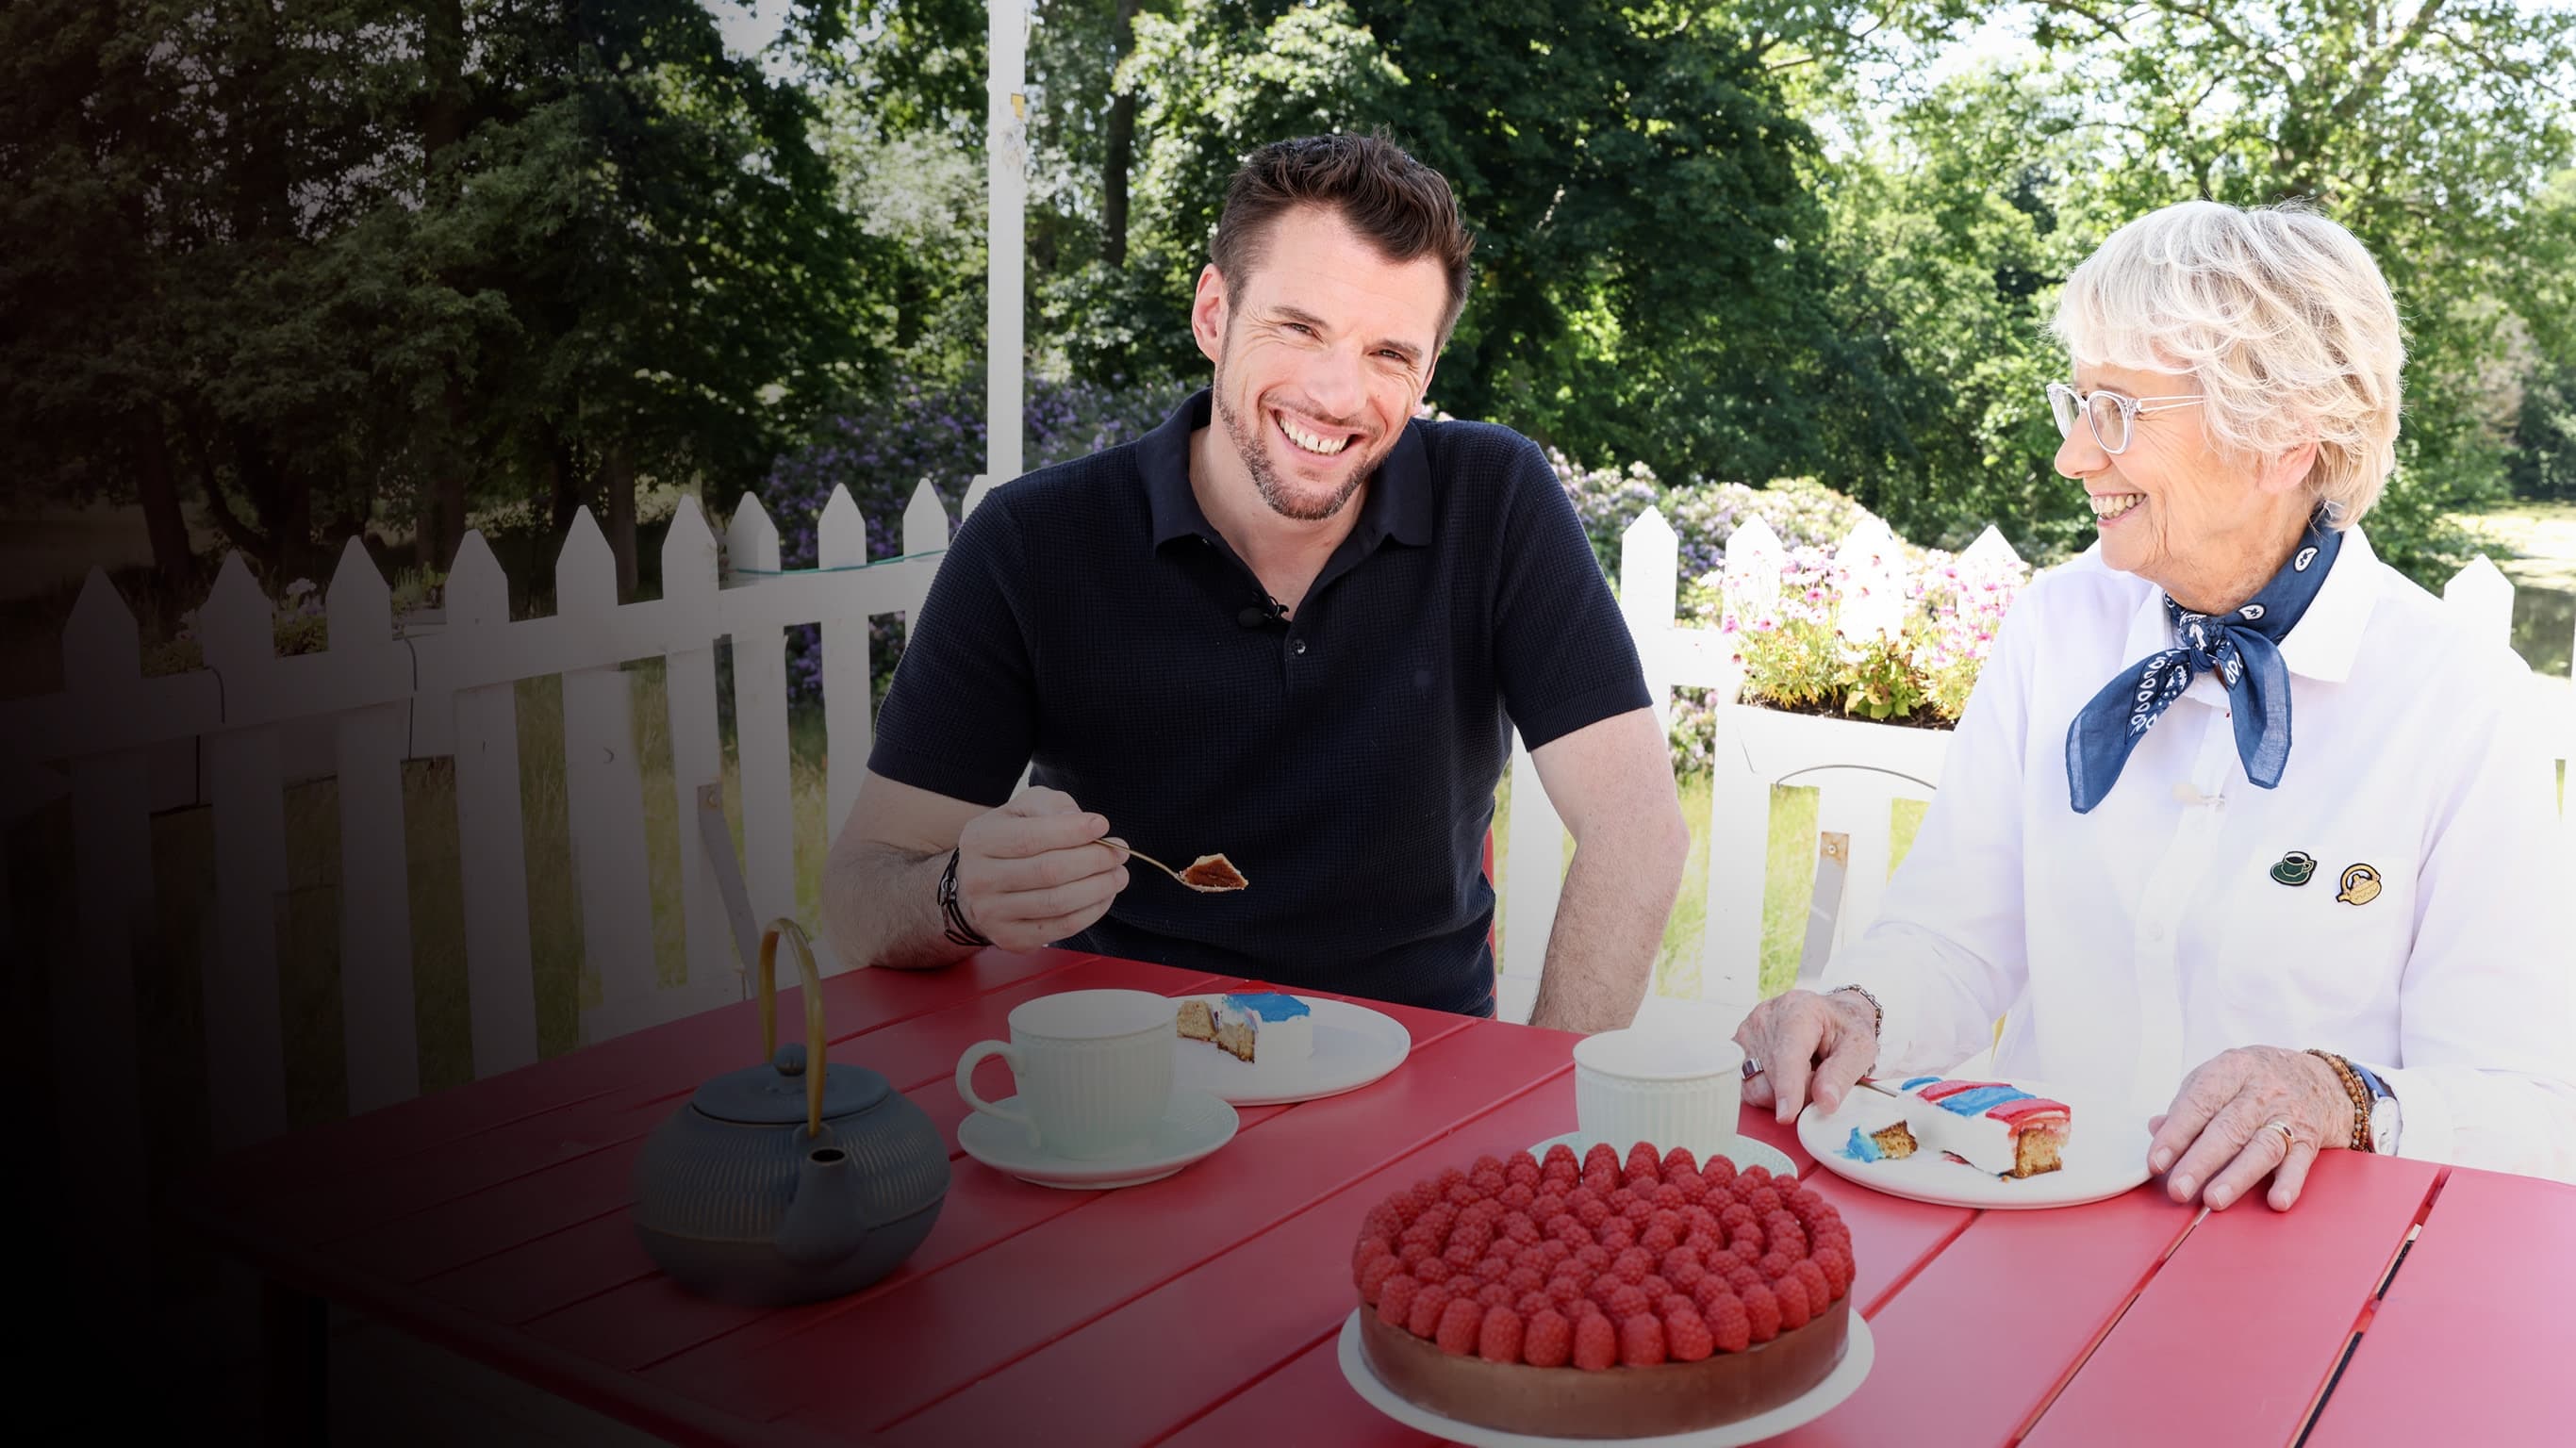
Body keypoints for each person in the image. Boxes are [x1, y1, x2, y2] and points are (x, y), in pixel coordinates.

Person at [1734, 199, 2576, 1207]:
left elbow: (2516, 1097)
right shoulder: (2054, 627)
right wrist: (1858, 1010)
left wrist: (2337, 1095)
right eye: (2077, 402)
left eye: (2119, 412)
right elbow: (1954, 937)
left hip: (2310, 1281)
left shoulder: (2460, 705)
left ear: (2282, 441)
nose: (2073, 457)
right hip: (2037, 1234)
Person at [821, 133, 1690, 1030]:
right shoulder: (1032, 541)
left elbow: (1637, 834)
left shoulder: (1496, 497)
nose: (1337, 395)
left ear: (1428, 372)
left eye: (1389, 354)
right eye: (1299, 327)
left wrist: (1535, 1110)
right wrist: (961, 897)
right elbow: (860, 890)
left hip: (1422, 1070)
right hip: (1127, 1077)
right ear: (1212, 313)